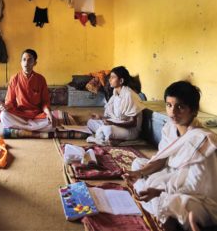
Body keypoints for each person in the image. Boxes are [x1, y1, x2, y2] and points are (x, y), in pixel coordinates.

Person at [123, 81, 217, 231]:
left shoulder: (202, 140)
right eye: (169, 105)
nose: (173, 112)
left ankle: (173, 217)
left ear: (193, 110)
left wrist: (160, 191)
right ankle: (162, 207)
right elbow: (162, 158)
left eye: (180, 107)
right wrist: (139, 173)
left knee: (173, 202)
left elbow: (196, 185)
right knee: (138, 164)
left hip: (199, 198)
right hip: (171, 175)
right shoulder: (169, 128)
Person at [0, 48, 56, 131]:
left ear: (35, 63)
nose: (26, 63)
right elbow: (10, 101)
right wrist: (6, 106)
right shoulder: (14, 78)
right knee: (3, 116)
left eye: (30, 60)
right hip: (19, 113)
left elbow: (45, 102)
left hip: (36, 115)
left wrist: (48, 113)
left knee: (50, 122)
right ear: (21, 62)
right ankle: (32, 127)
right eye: (24, 60)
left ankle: (22, 127)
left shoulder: (41, 79)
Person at [86, 66, 145, 145]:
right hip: (117, 124)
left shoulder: (129, 95)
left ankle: (105, 139)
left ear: (121, 80)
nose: (110, 80)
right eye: (110, 77)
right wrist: (100, 117)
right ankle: (106, 138)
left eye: (113, 77)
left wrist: (112, 123)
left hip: (130, 130)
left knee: (107, 129)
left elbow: (133, 123)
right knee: (91, 122)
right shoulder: (115, 94)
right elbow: (115, 117)